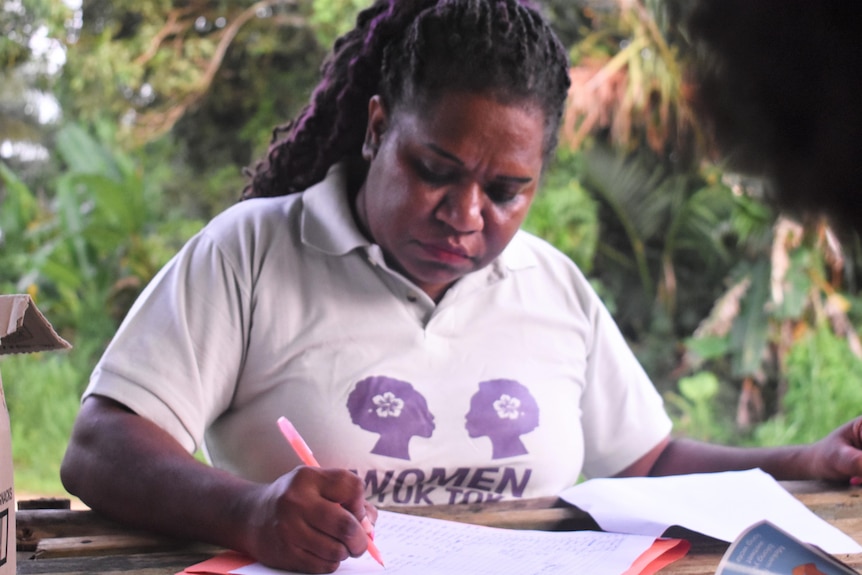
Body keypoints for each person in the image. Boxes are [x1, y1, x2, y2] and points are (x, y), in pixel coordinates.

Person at [60, 0, 862, 573]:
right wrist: (248, 510)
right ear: (377, 129)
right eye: (434, 170)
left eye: (507, 190)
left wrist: (804, 455)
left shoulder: (551, 283)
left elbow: (645, 461)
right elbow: (101, 445)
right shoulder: (255, 252)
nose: (465, 215)